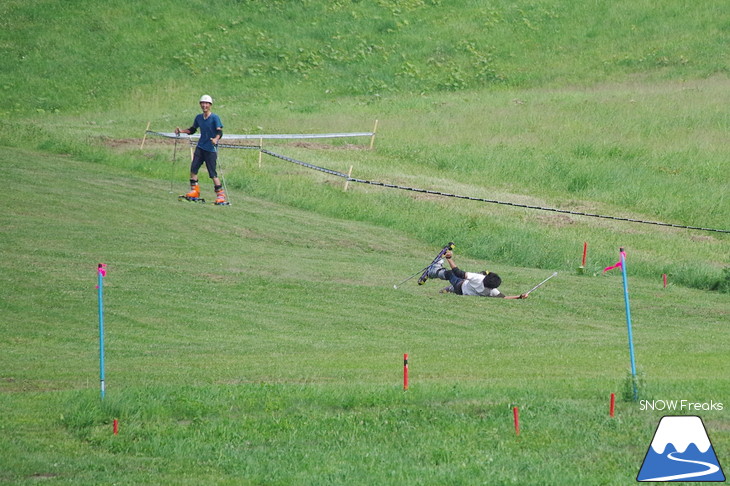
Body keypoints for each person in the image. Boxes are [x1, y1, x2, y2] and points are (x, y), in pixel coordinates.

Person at [175, 95, 227, 205]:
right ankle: (195, 191)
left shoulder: (215, 118)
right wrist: (181, 131)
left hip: (211, 149)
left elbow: (220, 131)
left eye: (207, 103)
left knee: (212, 173)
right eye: (203, 103)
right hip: (201, 147)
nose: (204, 105)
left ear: (210, 105)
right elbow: (193, 130)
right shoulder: (199, 117)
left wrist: (216, 139)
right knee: (193, 169)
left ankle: (221, 195)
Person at [424, 250, 528, 299]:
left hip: (460, 285)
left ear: (485, 278)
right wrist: (519, 296)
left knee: (451, 274)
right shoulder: (492, 291)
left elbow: (458, 272)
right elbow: (504, 298)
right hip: (462, 292)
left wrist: (449, 259)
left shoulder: (478, 278)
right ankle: (449, 289)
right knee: (476, 275)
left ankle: (433, 271)